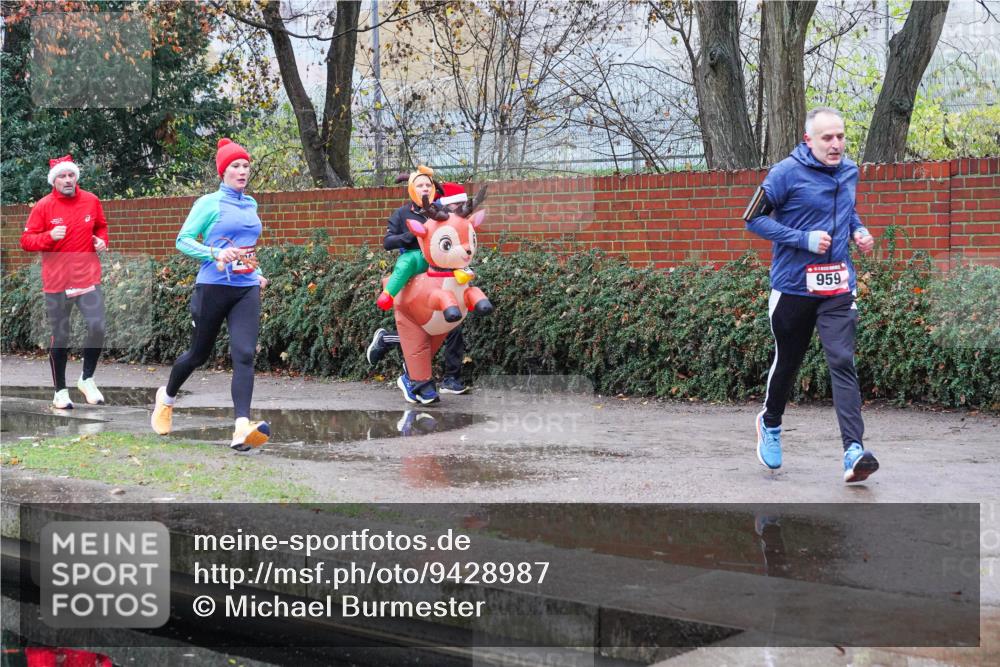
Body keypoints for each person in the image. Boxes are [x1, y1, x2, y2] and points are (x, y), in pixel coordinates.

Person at [744, 107, 879, 483]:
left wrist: (858, 231)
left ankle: (854, 451)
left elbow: (846, 211)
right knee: (788, 362)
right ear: (809, 140)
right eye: (827, 138)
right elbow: (752, 217)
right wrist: (802, 239)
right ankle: (770, 423)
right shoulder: (786, 173)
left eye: (840, 136)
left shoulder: (849, 170)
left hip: (837, 285)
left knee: (842, 360)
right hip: (793, 287)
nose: (836, 144)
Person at [150, 138, 270, 451]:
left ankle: (241, 427)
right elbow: (183, 240)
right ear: (223, 172)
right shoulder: (209, 203)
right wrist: (214, 252)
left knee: (244, 355)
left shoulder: (251, 204)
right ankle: (167, 397)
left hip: (244, 290)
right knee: (198, 355)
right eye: (235, 166)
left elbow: (245, 246)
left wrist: (255, 273)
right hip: (212, 288)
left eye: (245, 165)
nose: (242, 171)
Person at [20, 155, 109, 409]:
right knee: (61, 336)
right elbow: (26, 242)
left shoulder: (91, 201)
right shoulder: (43, 206)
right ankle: (60, 391)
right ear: (54, 180)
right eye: (62, 176)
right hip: (57, 282)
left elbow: (101, 227)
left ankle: (87, 379)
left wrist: (101, 240)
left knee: (98, 326)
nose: (68, 180)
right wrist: (49, 236)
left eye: (71, 175)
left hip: (87, 277)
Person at [368, 178, 469, 394]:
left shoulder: (440, 213)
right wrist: (410, 236)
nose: (425, 189)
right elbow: (388, 243)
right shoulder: (402, 214)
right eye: (420, 186)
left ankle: (441, 376)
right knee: (424, 330)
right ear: (412, 189)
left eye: (428, 186)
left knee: (450, 324)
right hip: (416, 276)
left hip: (439, 272)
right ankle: (418, 371)